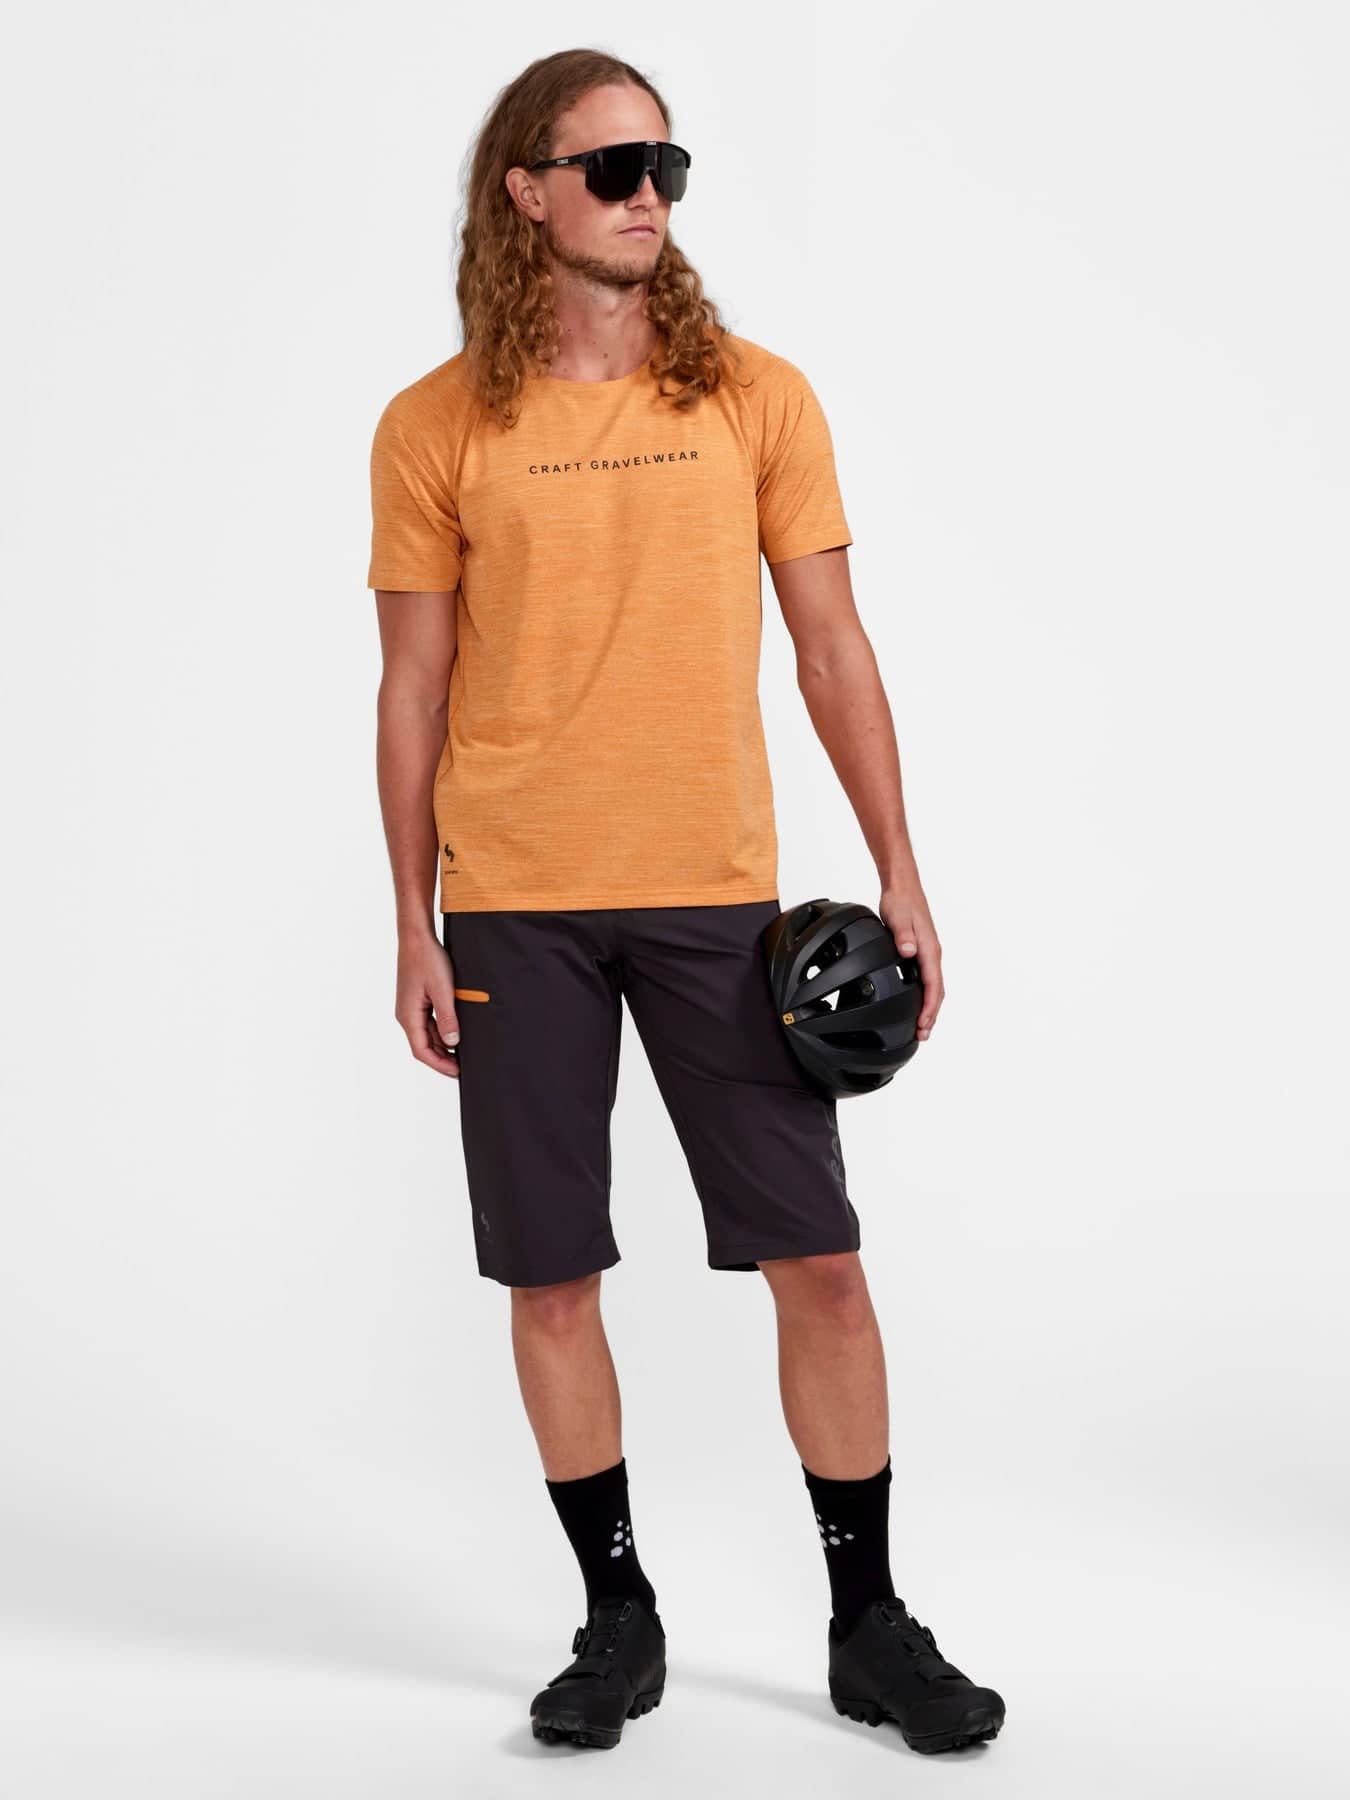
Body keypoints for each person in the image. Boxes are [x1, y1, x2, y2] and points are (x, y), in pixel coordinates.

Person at [367, 46, 1004, 1756]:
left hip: (720, 901)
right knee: (550, 1280)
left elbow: (830, 645)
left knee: (822, 1266)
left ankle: (868, 1625)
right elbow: (411, 688)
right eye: (611, 165)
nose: (647, 192)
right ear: (526, 192)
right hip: (514, 907)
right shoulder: (436, 424)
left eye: (666, 165)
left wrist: (901, 867)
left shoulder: (754, 398)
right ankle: (617, 1618)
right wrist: (413, 918)